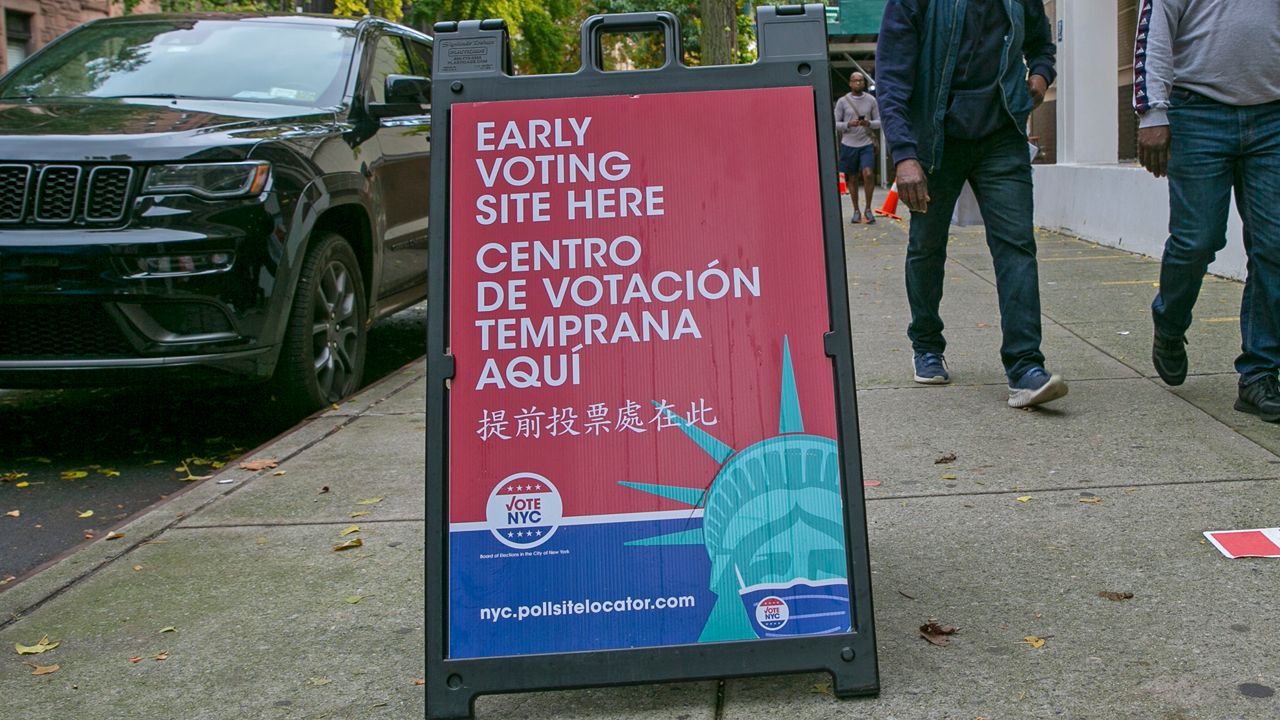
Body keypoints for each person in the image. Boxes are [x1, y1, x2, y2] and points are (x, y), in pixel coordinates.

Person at [876, 0, 1067, 409]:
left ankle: (1025, 368)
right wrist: (905, 154)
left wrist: (1039, 75)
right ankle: (926, 343)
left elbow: (1041, 44)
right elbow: (892, 76)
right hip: (935, 139)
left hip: (1001, 134)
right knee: (927, 245)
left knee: (1016, 246)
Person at [1133, 0, 1280, 421]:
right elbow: (1153, 32)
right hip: (1198, 112)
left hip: (1273, 116)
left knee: (1275, 247)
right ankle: (1171, 321)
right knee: (1197, 240)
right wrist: (1153, 112)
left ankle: (1259, 373)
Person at [834, 72, 881, 224]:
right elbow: (834, 124)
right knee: (852, 178)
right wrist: (848, 124)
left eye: (861, 81)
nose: (858, 83)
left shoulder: (871, 100)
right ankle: (856, 210)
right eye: (855, 81)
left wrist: (869, 123)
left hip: (866, 142)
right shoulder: (842, 101)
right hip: (848, 144)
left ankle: (868, 208)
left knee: (868, 174)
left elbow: (880, 121)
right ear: (850, 83)